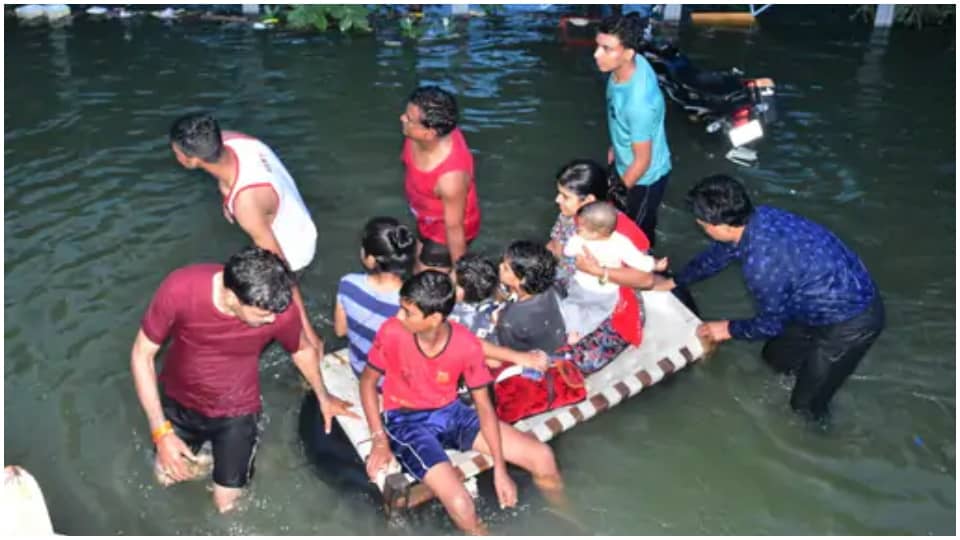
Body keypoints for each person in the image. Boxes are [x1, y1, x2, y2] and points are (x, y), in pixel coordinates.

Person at [130, 246, 356, 512]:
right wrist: (161, 432)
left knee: (226, 507)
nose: (273, 319)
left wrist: (323, 396)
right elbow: (141, 355)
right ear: (232, 296)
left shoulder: (277, 308)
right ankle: (207, 460)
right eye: (263, 315)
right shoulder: (181, 289)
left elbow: (302, 349)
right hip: (179, 402)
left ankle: (229, 456)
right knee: (165, 479)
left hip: (236, 411)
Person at [657, 175, 885, 420]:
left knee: (804, 407)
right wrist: (674, 281)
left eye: (702, 224)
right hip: (812, 302)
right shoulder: (758, 217)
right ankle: (816, 371)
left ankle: (819, 422)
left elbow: (770, 324)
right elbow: (717, 256)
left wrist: (727, 328)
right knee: (775, 358)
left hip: (852, 318)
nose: (701, 227)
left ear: (719, 226)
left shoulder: (761, 265)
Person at [360, 271, 564, 534]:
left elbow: (484, 407)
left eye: (407, 312)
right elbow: (367, 382)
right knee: (460, 502)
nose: (399, 316)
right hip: (405, 421)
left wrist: (501, 470)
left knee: (542, 456)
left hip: (452, 412)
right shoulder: (392, 332)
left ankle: (564, 520)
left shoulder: (465, 344)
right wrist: (379, 439)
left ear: (434, 318)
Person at [168, 112, 323, 353]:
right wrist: (225, 198)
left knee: (269, 313)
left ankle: (309, 345)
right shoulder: (235, 141)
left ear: (191, 160)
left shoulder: (246, 204)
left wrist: (307, 330)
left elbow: (280, 268)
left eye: (176, 152)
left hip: (294, 250)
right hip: (294, 218)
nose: (174, 155)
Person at [595, 13, 672, 246]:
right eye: (598, 46)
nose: (596, 54)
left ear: (628, 53)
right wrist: (615, 146)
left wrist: (614, 198)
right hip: (623, 157)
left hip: (644, 178)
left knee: (635, 235)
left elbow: (642, 162)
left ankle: (646, 268)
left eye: (607, 49)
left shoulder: (639, 103)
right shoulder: (626, 68)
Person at [561, 201, 667, 342]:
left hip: (581, 285)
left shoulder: (578, 240)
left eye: (580, 227)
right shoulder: (621, 243)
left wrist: (574, 247)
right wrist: (655, 264)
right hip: (608, 290)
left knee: (571, 304)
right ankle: (581, 332)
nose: (576, 229)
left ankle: (572, 329)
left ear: (596, 232)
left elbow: (567, 252)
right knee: (599, 313)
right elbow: (640, 262)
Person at [401, 86, 481, 270]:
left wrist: (460, 275)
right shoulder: (417, 136)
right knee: (415, 265)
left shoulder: (450, 179)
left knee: (424, 284)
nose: (402, 119)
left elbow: (454, 229)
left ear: (429, 133)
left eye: (409, 119)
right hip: (425, 219)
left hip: (444, 233)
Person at [334, 217, 416, 378]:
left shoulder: (348, 284)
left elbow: (340, 331)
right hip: (396, 382)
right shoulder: (414, 302)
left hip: (360, 370)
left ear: (370, 259)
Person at [496, 241, 568, 354]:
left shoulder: (509, 319)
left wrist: (497, 322)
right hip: (555, 335)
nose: (499, 266)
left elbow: (508, 349)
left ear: (523, 280)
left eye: (505, 268)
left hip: (535, 354)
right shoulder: (550, 286)